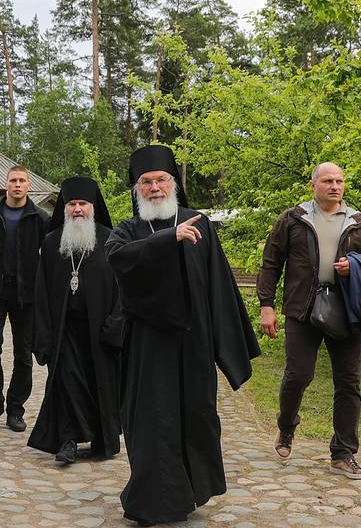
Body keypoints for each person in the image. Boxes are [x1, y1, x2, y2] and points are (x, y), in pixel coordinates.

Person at [106, 145, 260, 526]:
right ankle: (152, 501)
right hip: (147, 345)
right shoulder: (128, 230)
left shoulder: (199, 223)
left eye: (160, 180)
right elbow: (118, 260)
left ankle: (189, 491)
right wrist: (168, 239)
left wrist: (229, 349)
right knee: (151, 421)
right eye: (146, 182)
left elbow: (219, 286)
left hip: (193, 344)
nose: (154, 187)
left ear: (173, 184)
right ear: (136, 189)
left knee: (196, 417)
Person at [257, 162, 361, 480]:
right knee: (298, 375)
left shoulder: (360, 223)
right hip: (302, 309)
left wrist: (355, 266)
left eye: (340, 180)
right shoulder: (292, 219)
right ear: (313, 184)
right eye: (328, 180)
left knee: (348, 383)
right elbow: (271, 263)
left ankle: (343, 454)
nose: (335, 186)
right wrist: (267, 306)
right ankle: (286, 427)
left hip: (347, 311)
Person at [29, 177, 124, 464]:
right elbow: (41, 292)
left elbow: (124, 289)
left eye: (83, 204)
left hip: (100, 330)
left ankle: (99, 438)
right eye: (72, 204)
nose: (77, 209)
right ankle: (68, 439)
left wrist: (116, 325)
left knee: (100, 384)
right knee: (67, 381)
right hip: (64, 330)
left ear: (93, 208)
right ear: (64, 208)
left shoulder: (111, 239)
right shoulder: (52, 241)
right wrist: (42, 337)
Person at [0, 165, 49, 432]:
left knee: (23, 354)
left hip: (27, 294)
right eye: (13, 180)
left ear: (29, 185)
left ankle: (16, 409)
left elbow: (49, 256)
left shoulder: (40, 218)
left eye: (22, 181)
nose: (17, 184)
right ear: (6, 184)